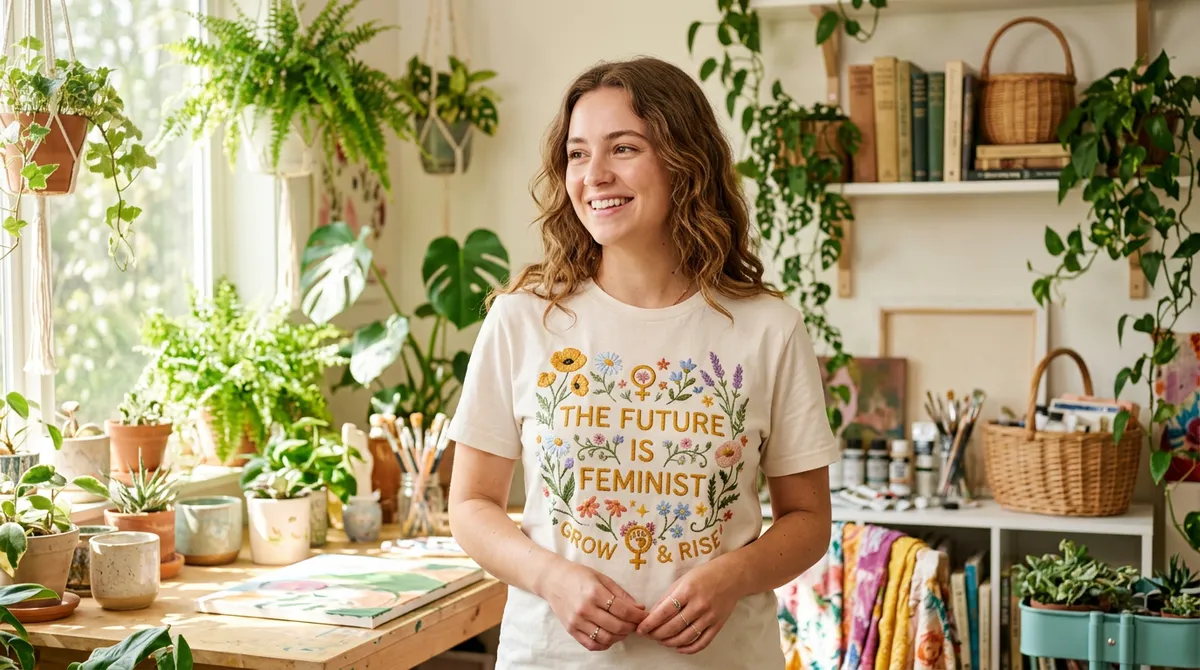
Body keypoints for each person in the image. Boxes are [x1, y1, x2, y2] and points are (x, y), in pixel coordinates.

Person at [446, 55, 837, 669]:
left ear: (686, 162)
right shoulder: (523, 319)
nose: (594, 175)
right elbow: (470, 505)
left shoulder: (768, 328)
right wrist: (551, 578)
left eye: (623, 148)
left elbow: (809, 518)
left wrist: (732, 576)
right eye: (577, 154)